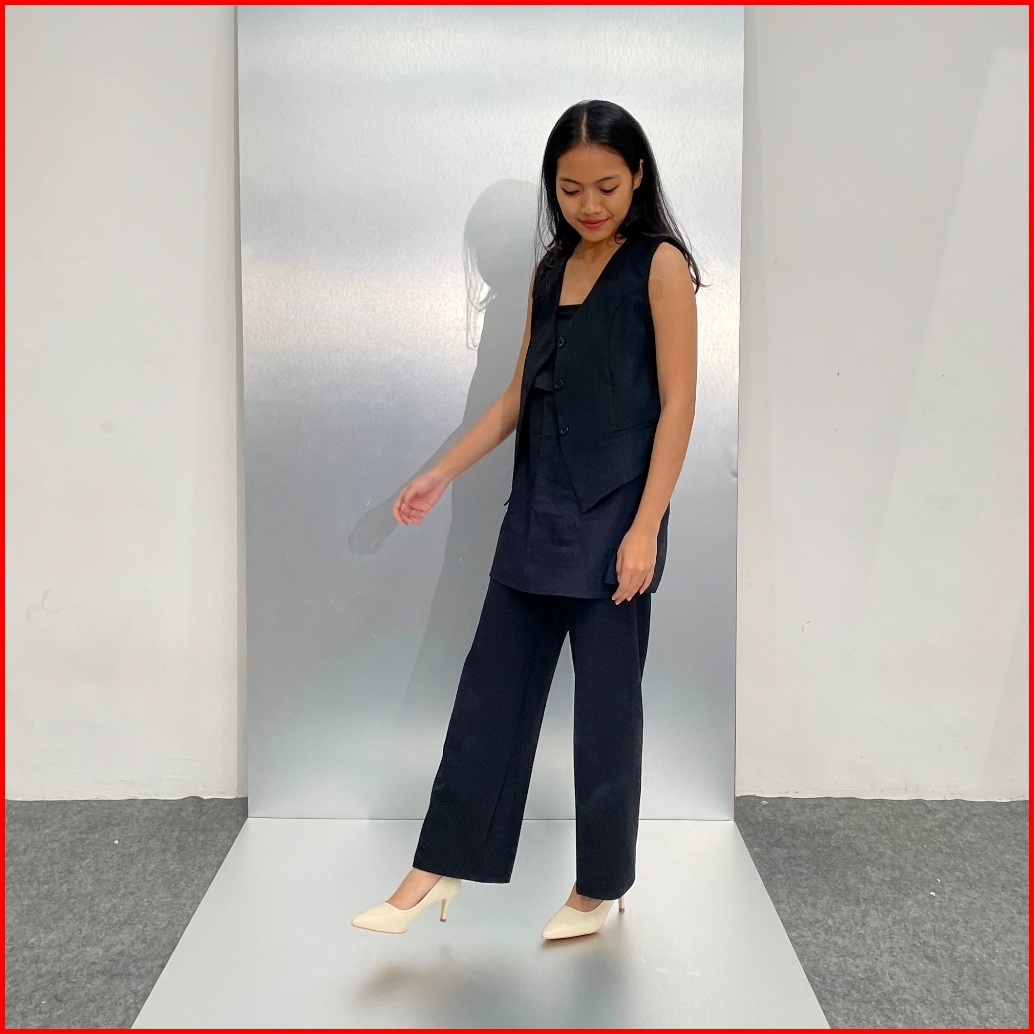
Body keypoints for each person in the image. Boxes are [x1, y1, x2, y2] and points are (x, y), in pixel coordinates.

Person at [352, 99, 701, 940]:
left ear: (638, 176)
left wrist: (646, 527)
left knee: (606, 713)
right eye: (571, 189)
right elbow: (515, 396)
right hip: (538, 508)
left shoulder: (660, 267)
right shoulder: (550, 271)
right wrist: (440, 473)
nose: (589, 204)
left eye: (607, 187)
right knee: (491, 697)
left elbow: (680, 402)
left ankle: (600, 886)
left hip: (616, 517)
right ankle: (436, 867)